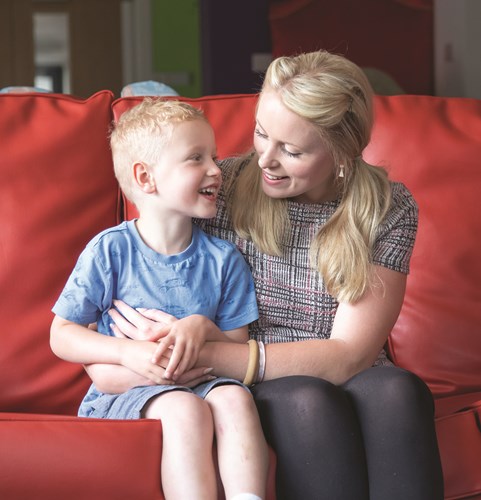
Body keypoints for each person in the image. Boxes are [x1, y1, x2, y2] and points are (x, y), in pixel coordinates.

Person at [87, 51, 444, 500]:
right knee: (308, 401)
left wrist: (206, 355)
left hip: (317, 364)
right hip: (254, 380)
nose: (265, 161)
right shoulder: (222, 186)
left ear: (343, 152)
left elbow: (350, 356)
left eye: (291, 151)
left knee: (398, 391)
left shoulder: (387, 208)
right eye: (261, 133)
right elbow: (148, 247)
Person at [50, 99, 269, 500]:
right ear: (145, 178)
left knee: (236, 398)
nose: (216, 170)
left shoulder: (224, 259)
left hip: (207, 380)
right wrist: (126, 354)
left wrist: (203, 329)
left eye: (214, 157)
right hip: (129, 390)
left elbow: (237, 349)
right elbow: (62, 334)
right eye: (195, 158)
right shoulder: (109, 251)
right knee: (184, 411)